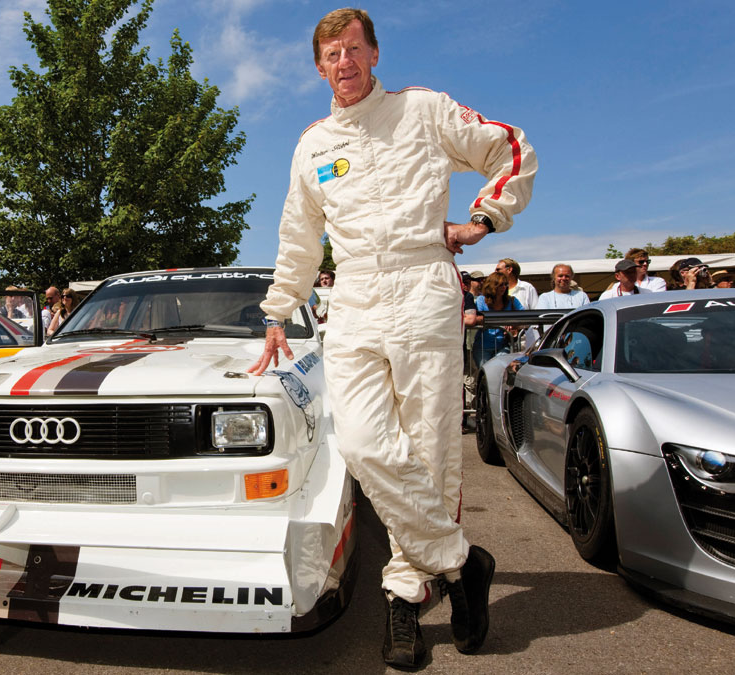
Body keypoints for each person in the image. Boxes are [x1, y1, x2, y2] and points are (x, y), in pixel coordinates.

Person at [247, 8, 537, 668]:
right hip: (352, 295)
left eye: (353, 49)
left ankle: (405, 595)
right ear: (318, 68)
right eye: (331, 55)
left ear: (374, 54)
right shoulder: (313, 144)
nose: (344, 62)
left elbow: (510, 147)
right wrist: (277, 310)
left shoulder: (423, 110)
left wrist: (484, 218)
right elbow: (298, 235)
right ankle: (462, 564)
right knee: (360, 441)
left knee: (429, 450)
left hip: (423, 284)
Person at [468, 272, 524, 367]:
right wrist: (504, 321)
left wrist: (513, 325)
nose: (504, 287)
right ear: (492, 285)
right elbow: (477, 318)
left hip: (504, 346)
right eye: (500, 285)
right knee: (486, 373)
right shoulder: (481, 300)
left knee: (498, 371)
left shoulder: (512, 301)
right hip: (482, 346)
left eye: (506, 284)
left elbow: (525, 318)